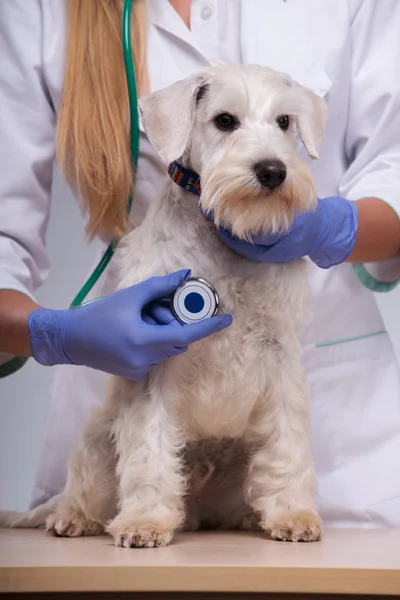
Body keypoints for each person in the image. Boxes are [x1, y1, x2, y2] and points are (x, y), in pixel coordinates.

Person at [1, 0, 400, 527]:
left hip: (343, 449)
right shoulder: (39, 9)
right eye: (227, 122)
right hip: (129, 452)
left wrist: (331, 226)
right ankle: (140, 504)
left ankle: (283, 493)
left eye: (283, 122)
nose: (268, 150)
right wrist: (49, 333)